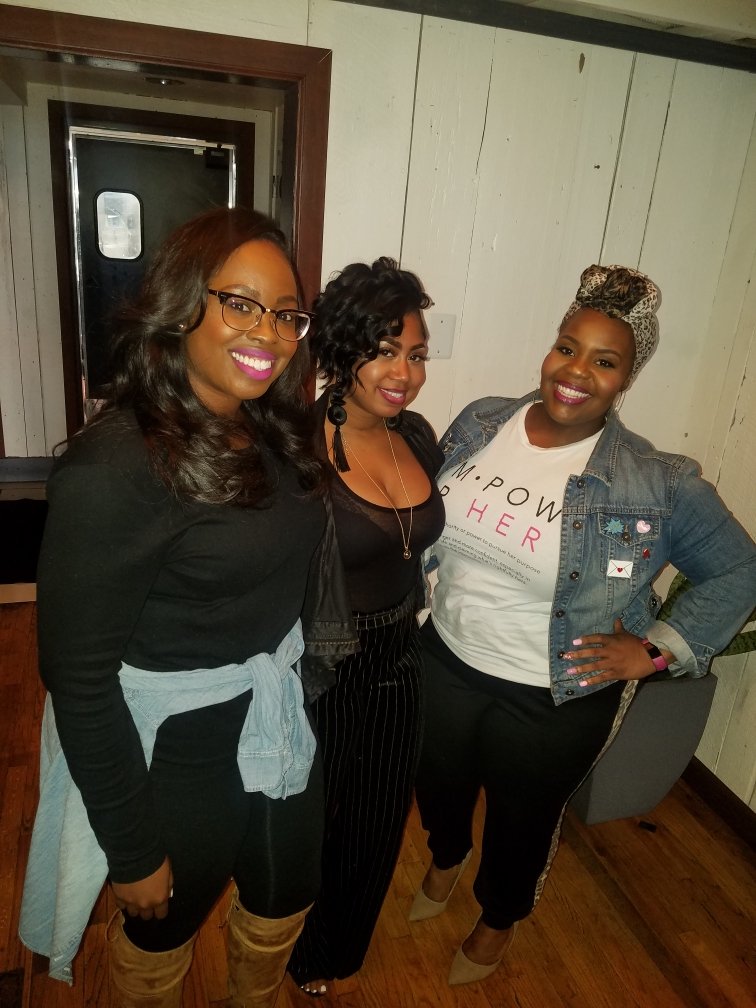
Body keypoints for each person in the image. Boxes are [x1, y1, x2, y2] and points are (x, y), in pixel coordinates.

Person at [408, 264, 756, 986]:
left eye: (605, 360)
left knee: (522, 820)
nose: (576, 372)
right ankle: (446, 855)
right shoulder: (480, 421)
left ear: (626, 378)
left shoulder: (656, 481)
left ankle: (497, 919)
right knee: (438, 783)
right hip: (445, 650)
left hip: (555, 690)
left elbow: (738, 570)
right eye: (568, 347)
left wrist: (658, 651)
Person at [19, 207, 331, 1008]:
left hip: (271, 714)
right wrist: (130, 848)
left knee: (286, 895)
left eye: (286, 314)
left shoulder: (271, 426)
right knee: (164, 928)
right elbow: (79, 679)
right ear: (182, 303)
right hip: (177, 750)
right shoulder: (117, 466)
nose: (269, 333)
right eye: (241, 304)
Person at [287, 258, 446, 996]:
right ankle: (283, 937)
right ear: (342, 349)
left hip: (400, 651)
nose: (404, 373)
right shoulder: (297, 447)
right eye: (384, 351)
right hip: (324, 660)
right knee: (311, 818)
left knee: (379, 817)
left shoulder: (417, 434)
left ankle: (334, 951)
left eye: (416, 353)